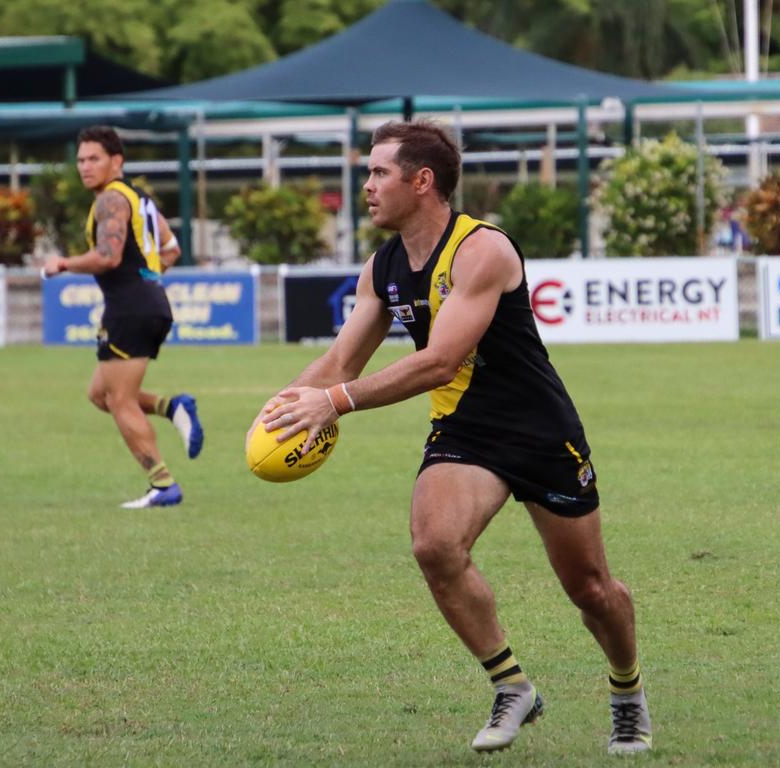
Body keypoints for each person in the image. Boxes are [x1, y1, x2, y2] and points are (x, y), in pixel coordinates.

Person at [249, 120, 652, 755]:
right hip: (464, 430)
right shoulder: (381, 268)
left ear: (423, 180)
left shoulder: (482, 250)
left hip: (540, 430)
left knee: (591, 589)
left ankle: (627, 693)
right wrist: (288, 404)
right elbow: (339, 364)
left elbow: (438, 361)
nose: (368, 186)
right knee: (434, 545)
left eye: (380, 172)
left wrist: (335, 403)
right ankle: (512, 686)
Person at [44, 125, 203, 509]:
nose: (85, 166)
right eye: (80, 160)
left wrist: (63, 263)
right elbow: (172, 247)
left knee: (119, 400)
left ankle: (163, 484)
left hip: (130, 307)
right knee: (100, 394)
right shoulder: (138, 197)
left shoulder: (110, 200)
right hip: (148, 303)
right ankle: (173, 406)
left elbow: (108, 257)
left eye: (94, 158)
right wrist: (147, 280)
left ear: (117, 161)